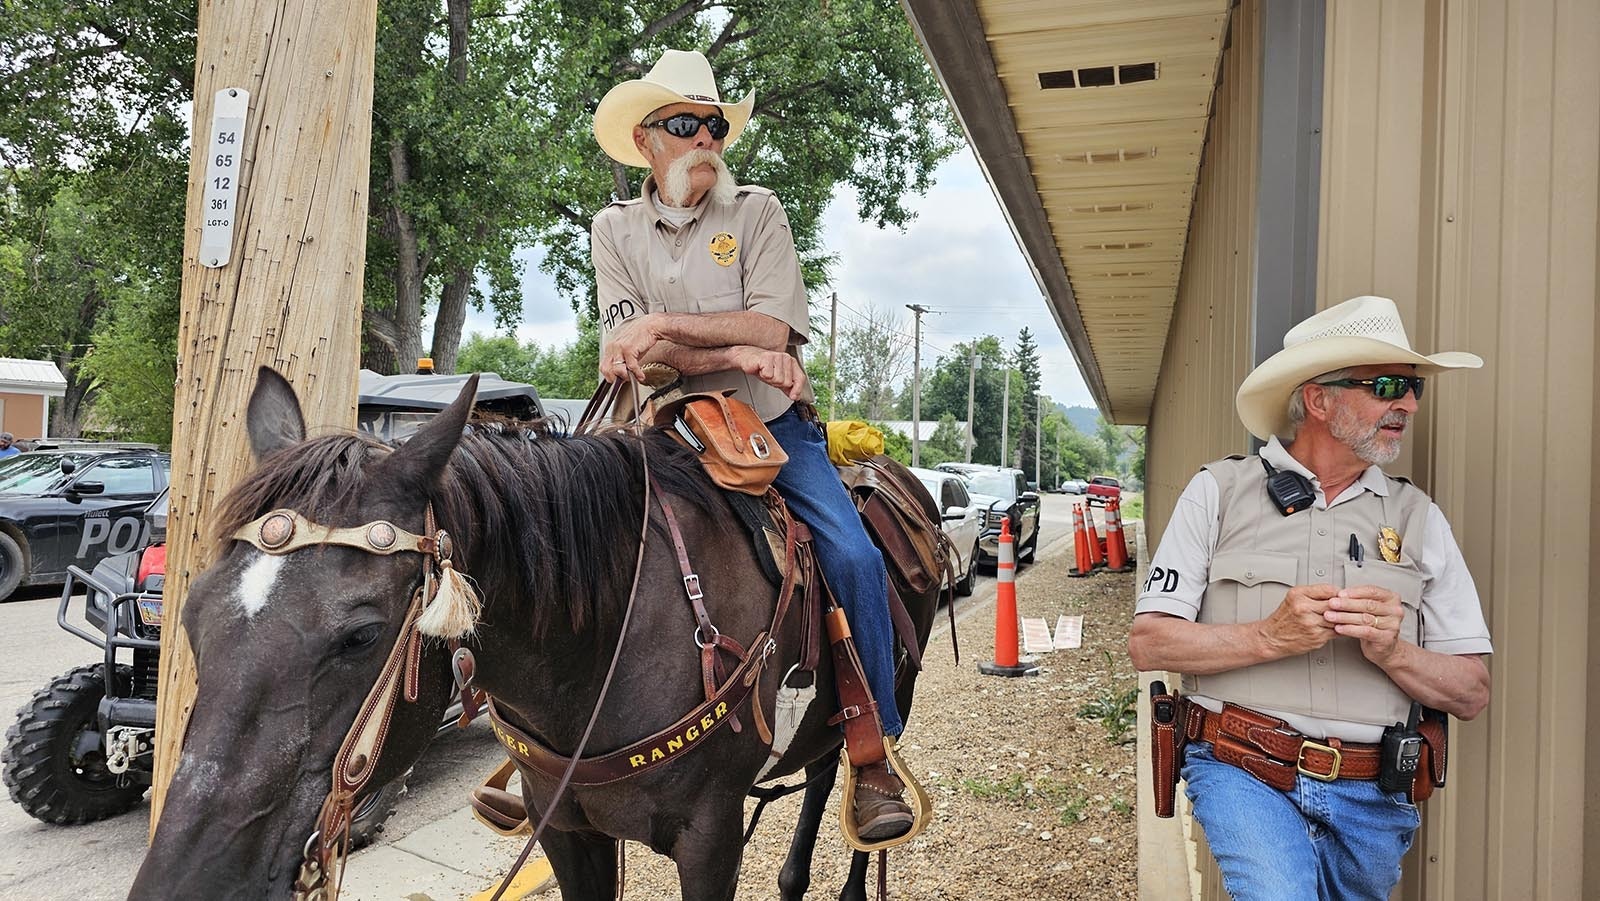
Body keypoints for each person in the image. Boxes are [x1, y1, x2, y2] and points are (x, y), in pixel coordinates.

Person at [589, 49, 913, 840]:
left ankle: (874, 753)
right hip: (661, 427)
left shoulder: (757, 211)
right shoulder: (612, 229)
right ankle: (542, 746)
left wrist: (663, 326)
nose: (706, 138)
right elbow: (641, 359)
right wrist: (727, 350)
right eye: (686, 124)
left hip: (767, 428)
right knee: (566, 536)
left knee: (853, 555)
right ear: (647, 138)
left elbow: (773, 329)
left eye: (715, 125)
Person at [1128, 295, 1493, 900]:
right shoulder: (1217, 493)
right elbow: (1150, 642)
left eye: (1411, 389)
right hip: (1243, 767)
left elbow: (1471, 692)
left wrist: (1392, 651)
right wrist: (1267, 636)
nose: (1405, 402)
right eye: (1384, 385)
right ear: (1319, 400)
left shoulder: (1418, 517)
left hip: (1374, 791)